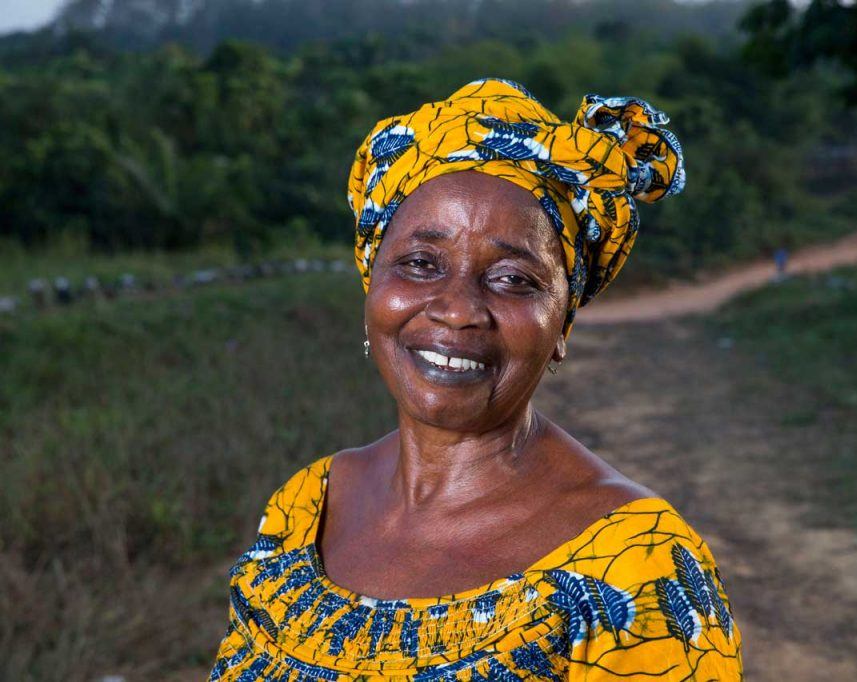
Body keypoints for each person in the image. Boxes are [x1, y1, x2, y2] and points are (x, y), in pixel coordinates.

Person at [208, 78, 743, 681]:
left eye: (513, 279)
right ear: (371, 287)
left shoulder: (638, 567)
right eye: (419, 264)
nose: (457, 309)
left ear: (562, 323)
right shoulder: (304, 507)